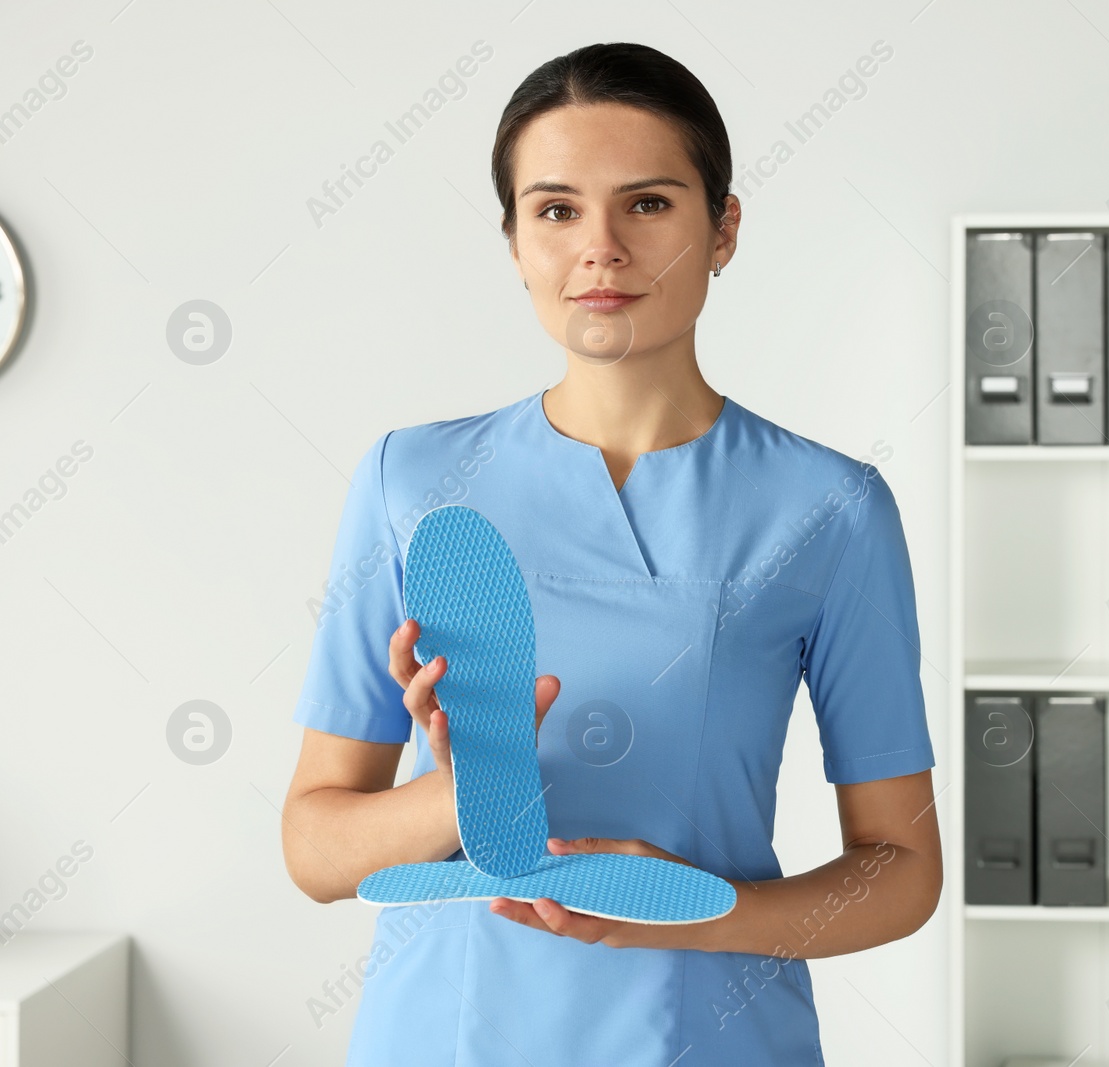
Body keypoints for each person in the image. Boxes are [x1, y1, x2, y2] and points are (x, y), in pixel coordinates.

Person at [280, 40, 941, 1066]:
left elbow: (901, 868)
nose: (600, 249)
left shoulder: (830, 507)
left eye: (646, 204)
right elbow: (315, 850)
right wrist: (458, 793)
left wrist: (691, 912)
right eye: (554, 210)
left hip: (710, 1030)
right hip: (443, 1033)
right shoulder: (410, 481)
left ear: (722, 227)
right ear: (512, 240)